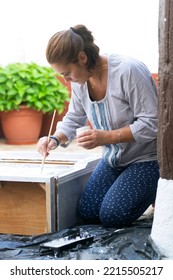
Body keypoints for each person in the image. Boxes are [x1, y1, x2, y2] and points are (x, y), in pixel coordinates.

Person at [37, 24, 159, 228]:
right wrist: (55, 139)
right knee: (88, 212)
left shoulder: (128, 71)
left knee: (113, 216)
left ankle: (157, 190)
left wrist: (106, 138)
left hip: (147, 159)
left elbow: (153, 123)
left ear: (82, 58)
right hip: (114, 159)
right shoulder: (80, 81)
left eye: (67, 73)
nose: (67, 80)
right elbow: (75, 117)